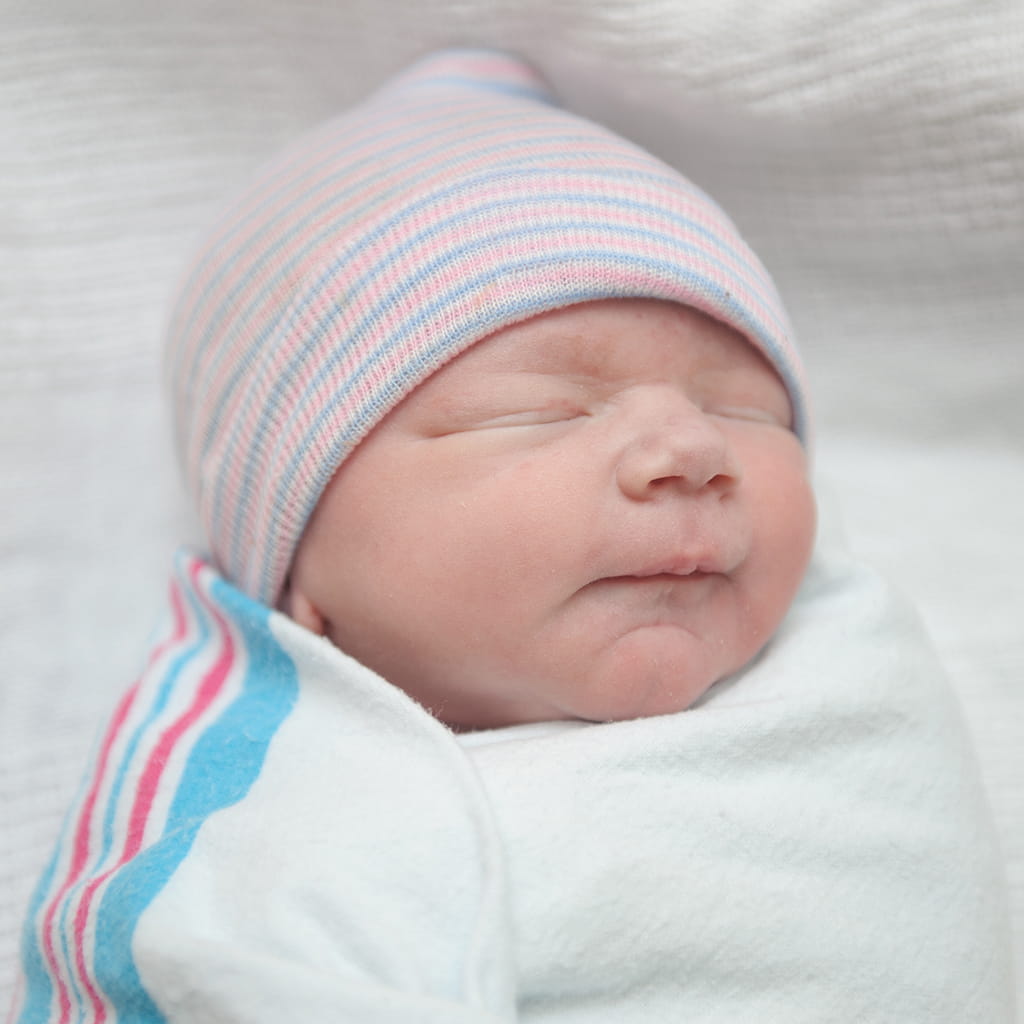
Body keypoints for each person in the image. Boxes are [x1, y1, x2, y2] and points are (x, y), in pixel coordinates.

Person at [12, 49, 1011, 1023]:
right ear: (297, 564)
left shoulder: (843, 655)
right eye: (541, 410)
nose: (692, 447)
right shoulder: (246, 830)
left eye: (745, 407)